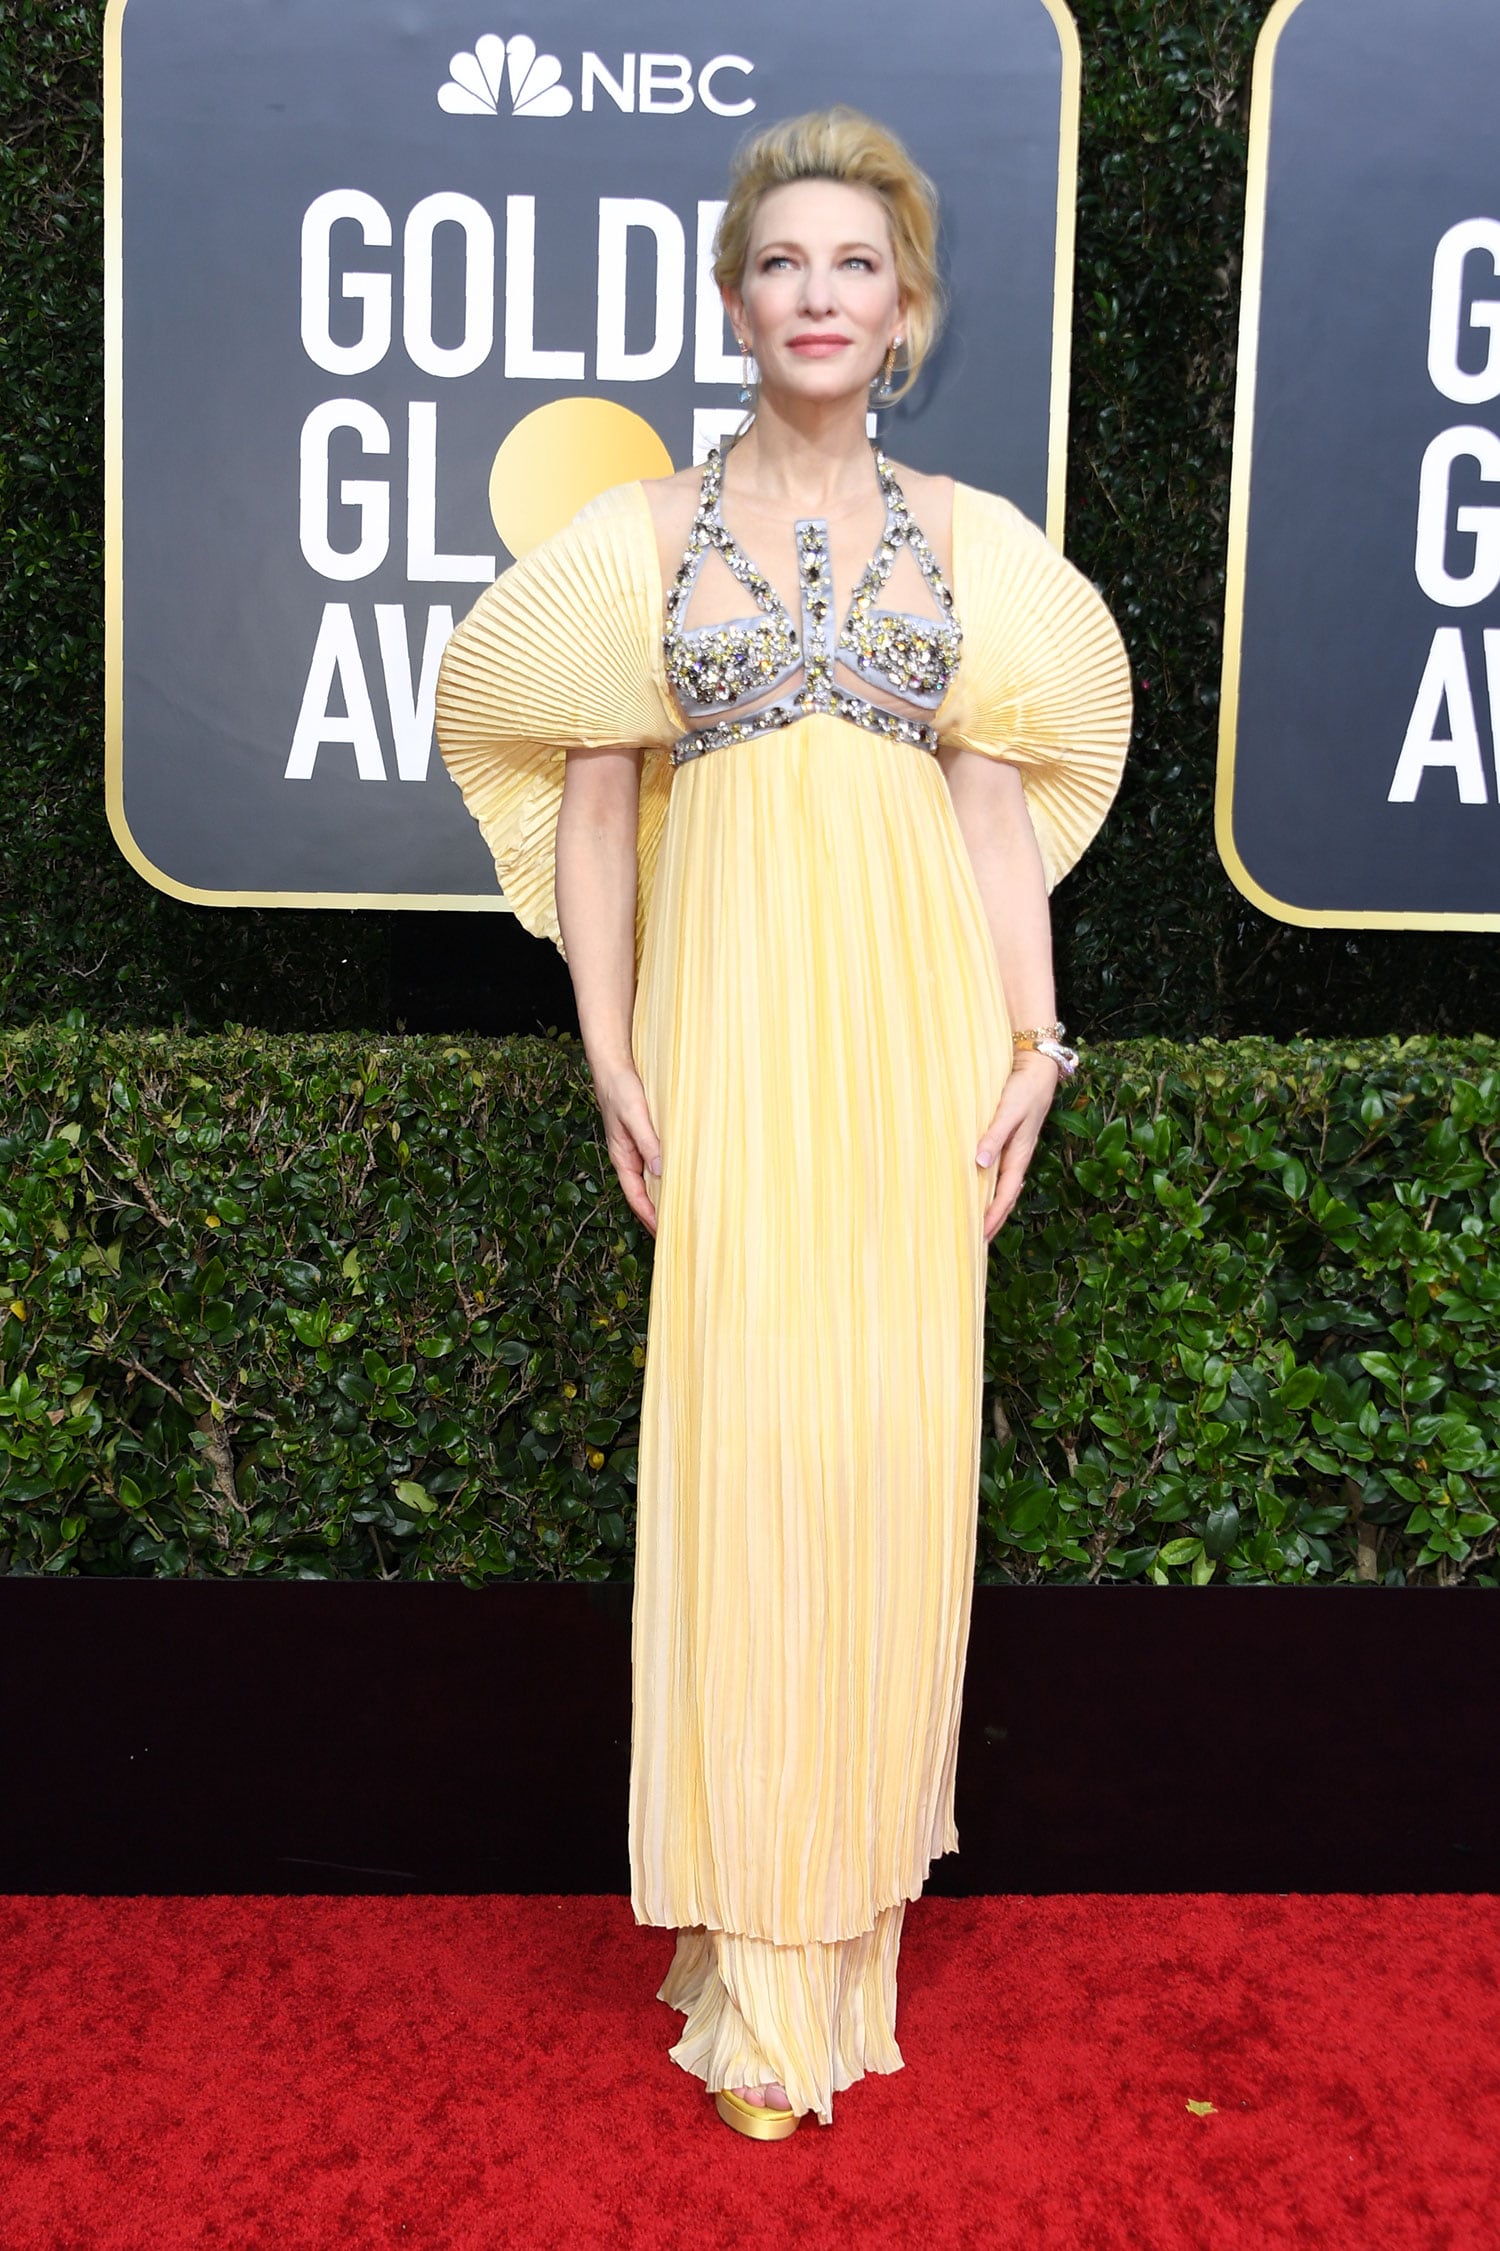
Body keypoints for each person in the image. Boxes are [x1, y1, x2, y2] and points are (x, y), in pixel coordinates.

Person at [435, 105, 1131, 2139]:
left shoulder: (974, 540)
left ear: (903, 312)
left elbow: (995, 806)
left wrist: (1035, 1044)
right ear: (735, 300)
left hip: (917, 1034)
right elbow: (588, 812)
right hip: (733, 1033)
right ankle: (752, 1960)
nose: (818, 296)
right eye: (783, 263)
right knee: (748, 1456)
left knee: (882, 1456)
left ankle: (841, 1933)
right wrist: (614, 1050)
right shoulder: (647, 535)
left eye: (856, 267)